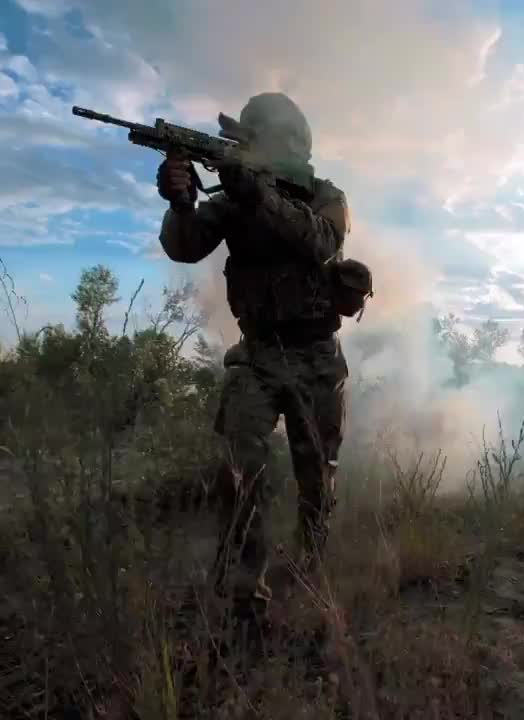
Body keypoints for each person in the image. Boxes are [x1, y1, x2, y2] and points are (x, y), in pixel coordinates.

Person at [154, 92, 365, 626]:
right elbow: (186, 246)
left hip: (316, 354)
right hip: (256, 354)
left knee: (317, 476)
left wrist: (255, 192)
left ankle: (310, 571)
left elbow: (319, 240)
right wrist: (180, 202)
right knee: (239, 471)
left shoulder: (325, 195)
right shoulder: (233, 198)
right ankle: (244, 597)